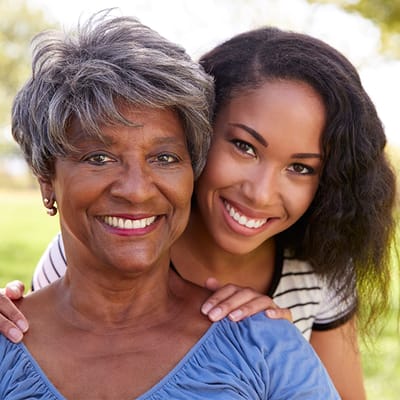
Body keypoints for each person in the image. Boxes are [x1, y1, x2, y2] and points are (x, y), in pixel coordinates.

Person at [1, 20, 397, 400]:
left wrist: (277, 344)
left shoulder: (312, 272)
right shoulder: (91, 251)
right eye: (100, 157)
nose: (260, 194)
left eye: (300, 167)